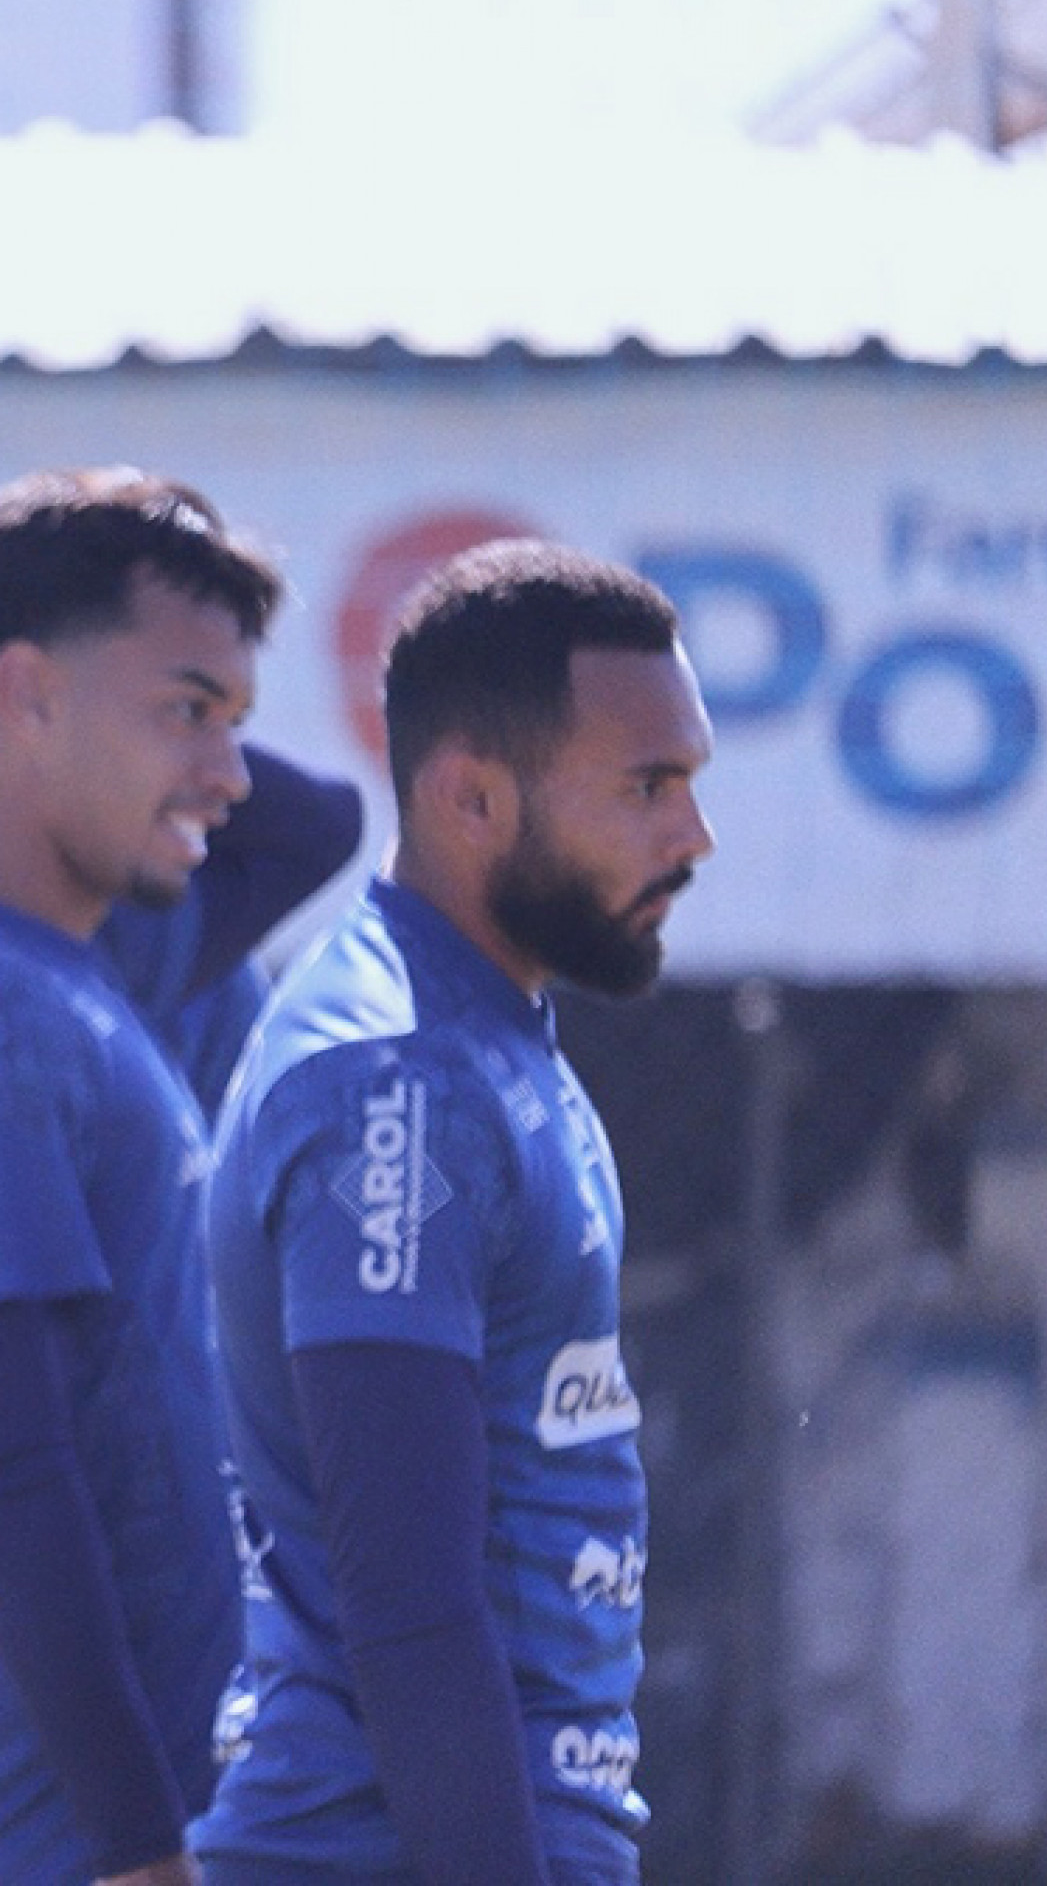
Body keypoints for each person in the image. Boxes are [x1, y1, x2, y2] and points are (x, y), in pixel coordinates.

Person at [193, 540, 717, 1885]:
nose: (692, 834)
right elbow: (409, 1601)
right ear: (472, 797)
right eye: (648, 786)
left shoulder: (488, 1036)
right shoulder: (395, 1078)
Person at [0, 470, 283, 1886]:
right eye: (185, 709)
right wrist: (140, 1845)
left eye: (234, 721)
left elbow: (299, 828)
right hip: (59, 1838)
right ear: (19, 694)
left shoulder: (57, 976)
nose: (229, 772)